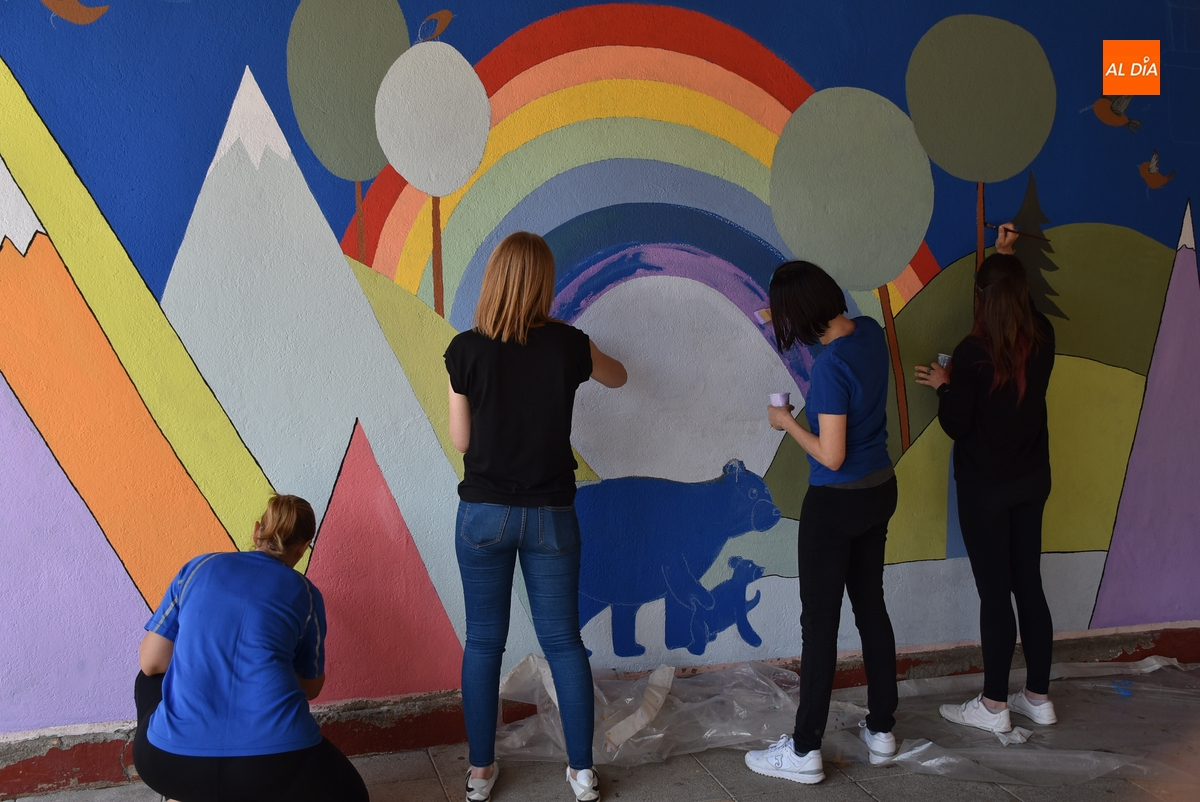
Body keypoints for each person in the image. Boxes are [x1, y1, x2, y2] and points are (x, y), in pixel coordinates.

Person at [444, 231, 627, 802]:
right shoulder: (570, 345)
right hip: (552, 515)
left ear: (494, 279)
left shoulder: (465, 350)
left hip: (482, 515)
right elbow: (618, 376)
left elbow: (461, 439)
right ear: (544, 284)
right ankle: (582, 773)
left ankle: (479, 774)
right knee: (564, 643)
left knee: (482, 644)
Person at [744, 261, 900, 784]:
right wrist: (783, 316)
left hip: (835, 505)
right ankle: (882, 730)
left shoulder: (830, 369)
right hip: (879, 490)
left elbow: (831, 455)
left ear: (803, 317)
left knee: (820, 627)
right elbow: (835, 351)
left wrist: (786, 422)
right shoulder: (870, 334)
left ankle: (805, 749)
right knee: (871, 610)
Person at [914, 223, 1057, 733]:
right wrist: (1004, 257)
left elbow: (958, 426)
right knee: (1029, 588)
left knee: (995, 594)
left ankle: (994, 706)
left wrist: (945, 385)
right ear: (1021, 294)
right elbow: (1019, 302)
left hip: (985, 491)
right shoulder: (1043, 336)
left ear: (981, 300)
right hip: (1031, 481)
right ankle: (1038, 698)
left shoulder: (972, 354)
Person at [133, 494, 368, 802]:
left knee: (149, 679)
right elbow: (311, 688)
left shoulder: (198, 568)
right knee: (353, 796)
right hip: (272, 769)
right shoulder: (306, 594)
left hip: (169, 766)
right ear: (303, 546)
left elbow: (151, 664)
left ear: (258, 530)